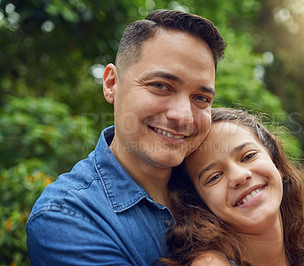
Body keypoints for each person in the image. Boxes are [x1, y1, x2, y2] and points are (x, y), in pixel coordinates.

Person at [26, 9, 226, 265]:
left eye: (200, 98)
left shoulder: (215, 186)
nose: (184, 117)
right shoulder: (68, 217)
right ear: (111, 84)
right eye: (161, 86)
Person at [160, 108, 304, 266]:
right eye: (215, 177)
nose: (239, 176)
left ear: (275, 163)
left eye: (248, 156)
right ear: (199, 204)